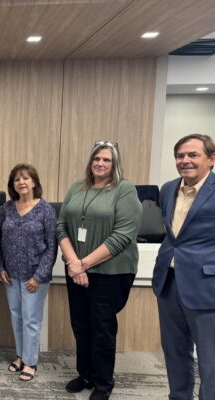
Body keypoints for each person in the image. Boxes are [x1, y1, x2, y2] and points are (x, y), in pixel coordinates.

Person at [56, 141, 142, 400]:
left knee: (102, 328)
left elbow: (122, 236)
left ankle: (104, 382)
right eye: (97, 159)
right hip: (76, 269)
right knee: (81, 325)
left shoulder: (124, 190)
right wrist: (73, 263)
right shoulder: (76, 187)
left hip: (110, 272)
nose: (100, 164)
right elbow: (62, 227)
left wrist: (83, 264)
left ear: (114, 164)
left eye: (106, 160)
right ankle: (85, 374)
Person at [153, 133, 215, 400]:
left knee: (210, 359)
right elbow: (174, 236)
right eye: (180, 156)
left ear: (211, 160)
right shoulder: (168, 189)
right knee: (175, 351)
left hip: (206, 285)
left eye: (193, 155)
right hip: (169, 281)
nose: (185, 161)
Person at [0, 163, 56, 381]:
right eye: (17, 179)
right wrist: (0, 267)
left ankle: (30, 362)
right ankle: (21, 355)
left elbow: (52, 246)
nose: (21, 182)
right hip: (10, 275)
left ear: (34, 182)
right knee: (16, 316)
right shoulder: (7, 208)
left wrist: (39, 276)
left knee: (31, 319)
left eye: (26, 178)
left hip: (34, 278)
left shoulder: (46, 210)